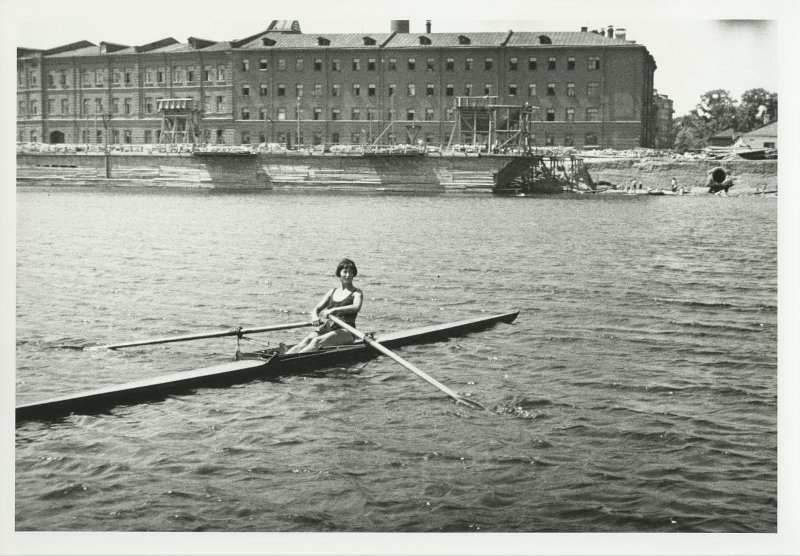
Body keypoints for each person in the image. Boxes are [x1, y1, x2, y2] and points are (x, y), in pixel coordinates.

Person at [285, 258, 363, 354]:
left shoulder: (357, 293)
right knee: (307, 340)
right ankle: (283, 358)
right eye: (345, 272)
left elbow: (356, 307)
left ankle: (292, 361)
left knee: (316, 341)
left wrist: (334, 310)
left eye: (351, 272)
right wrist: (315, 317)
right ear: (339, 273)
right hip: (329, 328)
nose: (348, 275)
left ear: (354, 274)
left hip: (347, 331)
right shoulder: (332, 291)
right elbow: (316, 309)